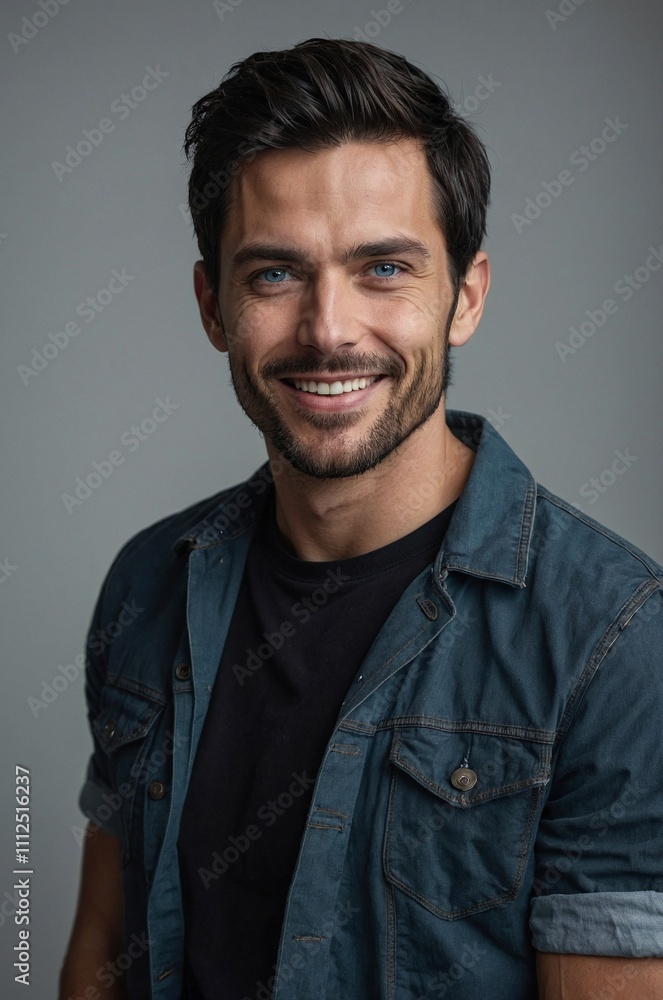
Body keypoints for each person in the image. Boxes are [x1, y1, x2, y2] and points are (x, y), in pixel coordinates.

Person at [59, 37, 663, 1000]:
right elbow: (99, 947)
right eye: (273, 275)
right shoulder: (148, 580)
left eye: (383, 268)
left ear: (463, 297)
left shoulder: (612, 637)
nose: (329, 328)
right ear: (213, 307)